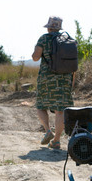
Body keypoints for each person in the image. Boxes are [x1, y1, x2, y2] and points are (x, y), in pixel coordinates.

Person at [31, 16, 75, 150]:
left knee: (40, 106)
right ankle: (56, 140)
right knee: (60, 110)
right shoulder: (69, 39)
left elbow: (35, 57)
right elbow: (73, 62)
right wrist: (71, 81)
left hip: (47, 78)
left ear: (49, 27)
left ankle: (48, 130)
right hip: (65, 78)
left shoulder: (44, 38)